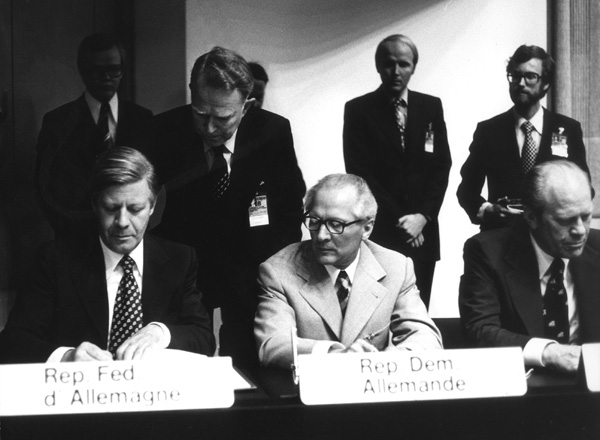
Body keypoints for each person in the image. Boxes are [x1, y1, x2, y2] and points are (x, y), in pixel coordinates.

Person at [152, 47, 305, 367]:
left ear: (247, 106)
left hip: (253, 264)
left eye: (222, 118)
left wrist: (278, 266)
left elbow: (290, 205)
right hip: (186, 268)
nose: (209, 128)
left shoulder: (273, 132)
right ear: (192, 92)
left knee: (250, 359)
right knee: (187, 360)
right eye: (200, 113)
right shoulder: (164, 131)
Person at [0, 147, 215, 363]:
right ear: (95, 204)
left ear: (152, 206)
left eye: (135, 209)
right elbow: (13, 342)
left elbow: (204, 338)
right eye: (111, 208)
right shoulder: (55, 260)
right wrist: (67, 357)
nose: (122, 222)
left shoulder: (180, 259)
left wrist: (160, 333)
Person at [254, 174, 442, 369]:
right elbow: (273, 345)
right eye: (314, 221)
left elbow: (426, 337)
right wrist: (336, 356)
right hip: (310, 393)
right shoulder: (278, 271)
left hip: (371, 393)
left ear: (367, 228)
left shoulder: (396, 267)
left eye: (336, 224)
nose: (322, 235)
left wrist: (386, 361)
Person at [459, 160, 600, 373]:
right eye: (565, 220)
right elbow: (480, 330)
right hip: (523, 387)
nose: (580, 231)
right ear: (531, 217)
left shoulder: (597, 248)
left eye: (586, 216)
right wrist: (550, 353)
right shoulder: (486, 252)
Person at [343, 34, 452, 308]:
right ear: (378, 66)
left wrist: (423, 217)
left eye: (403, 64)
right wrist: (403, 220)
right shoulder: (358, 110)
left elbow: (441, 166)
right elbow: (361, 173)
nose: (396, 71)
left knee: (418, 310)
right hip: (382, 232)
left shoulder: (431, 107)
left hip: (423, 234)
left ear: (414, 66)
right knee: (378, 312)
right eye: (389, 64)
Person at [457, 45, 589, 231]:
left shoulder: (568, 129)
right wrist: (489, 210)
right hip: (502, 241)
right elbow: (467, 190)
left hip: (552, 239)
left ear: (546, 84)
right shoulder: (488, 131)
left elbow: (585, 188)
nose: (521, 83)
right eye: (515, 76)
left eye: (530, 76)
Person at [35, 32, 153, 238]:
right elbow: (44, 189)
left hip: (129, 238)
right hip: (75, 239)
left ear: (123, 71)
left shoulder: (143, 119)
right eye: (97, 70)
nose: (106, 78)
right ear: (83, 71)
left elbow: (152, 185)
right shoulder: (58, 122)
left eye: (114, 70)